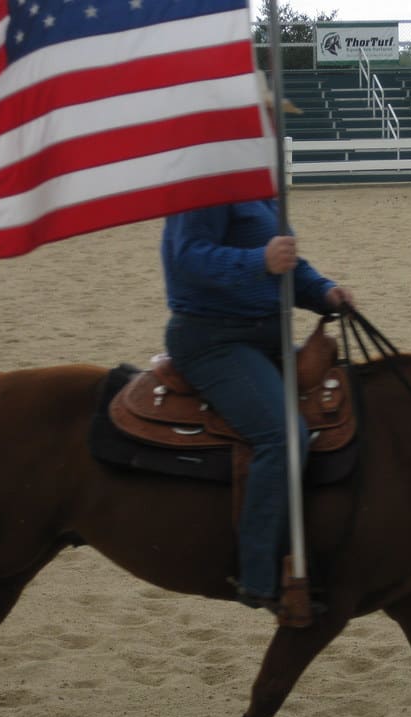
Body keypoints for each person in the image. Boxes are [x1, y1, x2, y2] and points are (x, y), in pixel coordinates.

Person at [159, 77, 353, 613]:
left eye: (272, 117)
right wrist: (256, 262)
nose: (272, 127)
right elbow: (185, 259)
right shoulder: (204, 178)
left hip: (264, 336)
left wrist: (325, 292)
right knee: (283, 437)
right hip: (212, 339)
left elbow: (289, 259)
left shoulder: (259, 185)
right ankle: (259, 573)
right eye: (264, 117)